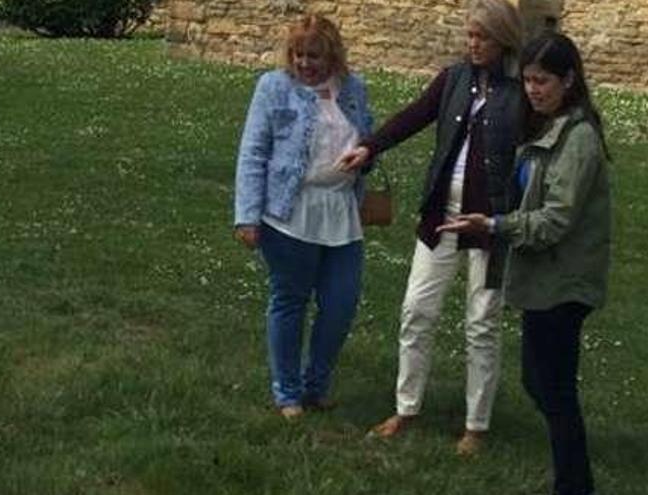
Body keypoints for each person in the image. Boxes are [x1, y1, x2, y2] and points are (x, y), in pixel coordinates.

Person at [338, 0, 522, 455]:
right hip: (441, 215)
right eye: (471, 35)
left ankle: (476, 426)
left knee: (482, 324)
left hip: (489, 223)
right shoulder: (455, 78)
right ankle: (406, 409)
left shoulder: (520, 90)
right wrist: (370, 147)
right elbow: (414, 115)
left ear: (504, 39)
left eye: (482, 37)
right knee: (416, 312)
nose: (473, 44)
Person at [437, 32, 611, 495]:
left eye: (544, 81)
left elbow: (555, 221)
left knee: (553, 389)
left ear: (569, 80)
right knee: (542, 384)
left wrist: (496, 226)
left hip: (563, 282)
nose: (534, 90)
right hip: (543, 280)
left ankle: (574, 485)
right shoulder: (546, 127)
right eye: (529, 80)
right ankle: (573, 480)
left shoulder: (578, 139)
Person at [233, 15, 374, 420]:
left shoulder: (353, 89)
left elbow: (368, 135)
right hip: (289, 213)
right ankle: (288, 392)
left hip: (341, 212)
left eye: (314, 55)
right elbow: (253, 152)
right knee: (290, 300)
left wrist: (365, 156)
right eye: (297, 54)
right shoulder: (273, 88)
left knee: (341, 304)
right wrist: (247, 215)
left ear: (332, 54)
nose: (305, 63)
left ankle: (317, 384)